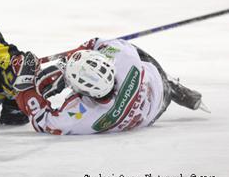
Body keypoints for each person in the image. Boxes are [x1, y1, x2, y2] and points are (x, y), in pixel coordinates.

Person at [16, 38, 209, 135]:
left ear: (84, 94)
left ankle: (173, 86)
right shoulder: (125, 58)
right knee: (135, 54)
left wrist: (24, 86)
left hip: (152, 104)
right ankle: (172, 87)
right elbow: (97, 44)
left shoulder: (83, 114)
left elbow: (44, 121)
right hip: (156, 87)